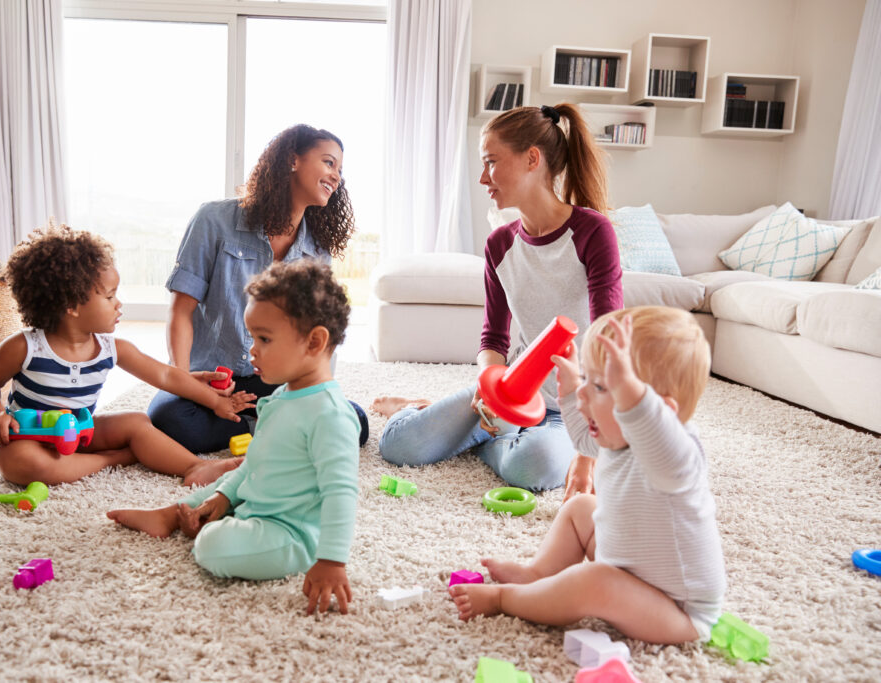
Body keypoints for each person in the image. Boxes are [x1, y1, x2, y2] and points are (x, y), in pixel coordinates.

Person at [372, 104, 621, 495]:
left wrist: (588, 455)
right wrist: (489, 392)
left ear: (532, 159)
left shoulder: (593, 232)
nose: (482, 177)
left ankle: (480, 441)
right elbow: (493, 340)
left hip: (570, 408)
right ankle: (421, 409)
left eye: (491, 162)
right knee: (398, 445)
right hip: (512, 391)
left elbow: (610, 341)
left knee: (532, 469)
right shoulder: (500, 244)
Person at [449, 306, 726, 645]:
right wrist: (572, 386)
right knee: (580, 508)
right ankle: (537, 574)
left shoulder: (676, 458)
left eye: (601, 388)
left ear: (654, 412)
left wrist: (630, 396)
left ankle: (506, 599)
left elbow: (651, 428)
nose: (585, 394)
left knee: (594, 580)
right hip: (624, 567)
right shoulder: (616, 436)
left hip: (676, 612)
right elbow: (582, 439)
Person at [109, 260, 360, 615]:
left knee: (212, 546)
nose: (251, 349)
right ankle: (171, 516)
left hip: (291, 534)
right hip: (256, 501)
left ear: (315, 341)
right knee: (222, 484)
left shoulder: (330, 415)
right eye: (252, 336)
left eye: (264, 339)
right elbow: (255, 463)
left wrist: (332, 560)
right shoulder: (279, 399)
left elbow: (341, 493)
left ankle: (207, 526)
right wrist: (225, 497)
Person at [0, 223, 254, 487]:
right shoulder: (26, 346)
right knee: (16, 462)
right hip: (31, 439)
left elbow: (166, 375)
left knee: (136, 422)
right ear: (71, 305)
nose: (118, 304)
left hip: (82, 431)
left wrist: (215, 402)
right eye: (109, 297)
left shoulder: (111, 348)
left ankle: (194, 467)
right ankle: (117, 459)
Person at [148, 124, 369, 454]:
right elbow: (181, 310)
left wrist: (316, 394)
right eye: (328, 162)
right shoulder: (214, 220)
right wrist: (187, 383)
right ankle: (278, 431)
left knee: (355, 423)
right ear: (293, 160)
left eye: (339, 169)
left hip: (275, 380)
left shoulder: (317, 250)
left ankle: (258, 426)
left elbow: (319, 336)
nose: (336, 176)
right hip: (210, 378)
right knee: (170, 418)